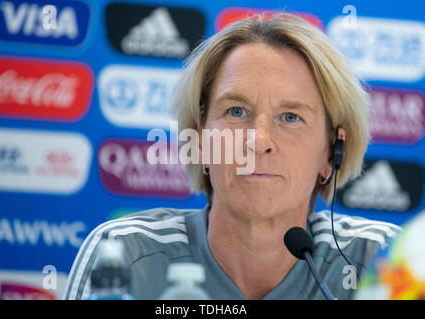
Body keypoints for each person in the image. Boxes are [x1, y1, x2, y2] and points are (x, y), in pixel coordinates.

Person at [64, 13, 401, 300]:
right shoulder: (123, 255)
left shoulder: (383, 261)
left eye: (291, 117)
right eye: (236, 111)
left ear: (332, 152)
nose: (259, 141)